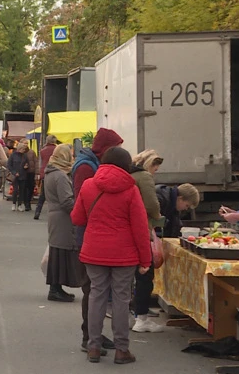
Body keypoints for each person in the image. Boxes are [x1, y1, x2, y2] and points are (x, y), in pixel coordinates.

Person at [71, 147, 152, 365]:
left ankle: (94, 347)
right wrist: (146, 259)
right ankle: (121, 349)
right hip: (124, 255)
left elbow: (77, 218)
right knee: (121, 299)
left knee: (96, 296)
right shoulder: (131, 189)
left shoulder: (89, 185)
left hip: (94, 251)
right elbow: (140, 228)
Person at [71, 127, 124, 353]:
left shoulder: (90, 164)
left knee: (95, 289)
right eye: (117, 148)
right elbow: (81, 205)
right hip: (88, 236)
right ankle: (89, 337)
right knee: (92, 289)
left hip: (89, 234)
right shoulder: (86, 167)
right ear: (107, 149)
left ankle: (94, 336)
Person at [128, 149, 164, 333]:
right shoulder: (145, 177)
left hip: (126, 231)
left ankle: (133, 314)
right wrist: (158, 215)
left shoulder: (131, 175)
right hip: (141, 229)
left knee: (130, 276)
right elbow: (151, 204)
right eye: (156, 167)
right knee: (145, 275)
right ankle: (142, 318)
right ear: (151, 164)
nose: (156, 171)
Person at [44, 144, 83, 302]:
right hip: (62, 219)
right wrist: (79, 213)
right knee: (61, 253)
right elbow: (67, 201)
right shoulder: (60, 175)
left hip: (55, 217)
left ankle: (56, 288)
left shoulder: (50, 172)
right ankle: (55, 289)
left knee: (57, 253)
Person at [35, 135, 58, 220]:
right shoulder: (57, 150)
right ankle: (54, 214)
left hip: (45, 173)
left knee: (43, 195)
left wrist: (40, 173)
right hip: (55, 172)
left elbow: (41, 163)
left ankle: (37, 212)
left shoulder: (42, 151)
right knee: (55, 195)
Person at [7, 142, 29, 212]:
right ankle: (14, 203)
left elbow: (27, 164)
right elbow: (9, 165)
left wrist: (26, 167)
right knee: (15, 190)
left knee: (22, 190)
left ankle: (19, 205)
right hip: (15, 175)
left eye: (24, 149)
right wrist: (14, 172)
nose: (24, 150)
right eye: (23, 149)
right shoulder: (13, 155)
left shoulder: (25, 156)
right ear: (19, 149)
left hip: (23, 174)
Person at [17, 139, 37, 212]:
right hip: (23, 172)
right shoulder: (18, 153)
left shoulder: (32, 152)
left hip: (31, 172)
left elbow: (36, 161)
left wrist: (37, 172)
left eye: (27, 143)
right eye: (24, 143)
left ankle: (28, 201)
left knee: (31, 187)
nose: (26, 145)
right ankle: (26, 203)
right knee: (24, 188)